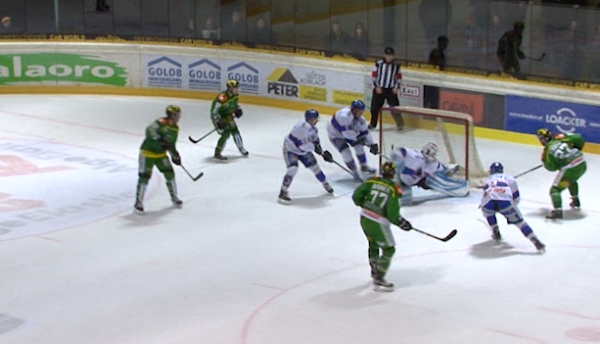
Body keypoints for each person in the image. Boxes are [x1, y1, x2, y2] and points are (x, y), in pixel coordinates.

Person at [352, 161, 413, 292]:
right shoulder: (393, 188)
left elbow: (356, 196)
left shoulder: (371, 181)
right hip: (378, 222)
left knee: (373, 244)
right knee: (389, 249)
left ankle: (375, 269)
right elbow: (392, 213)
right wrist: (401, 222)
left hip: (364, 218)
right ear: (393, 174)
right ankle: (379, 276)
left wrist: (366, 205)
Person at [480, 162, 546, 252]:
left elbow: (486, 194)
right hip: (504, 203)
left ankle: (495, 230)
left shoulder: (487, 180)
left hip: (487, 203)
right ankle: (535, 240)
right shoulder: (510, 178)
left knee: (488, 213)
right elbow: (516, 197)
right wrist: (511, 209)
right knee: (520, 223)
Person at [278, 109, 335, 204]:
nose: (316, 120)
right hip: (291, 149)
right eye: (314, 119)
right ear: (309, 119)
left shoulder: (313, 129)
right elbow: (302, 145)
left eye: (317, 118)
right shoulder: (302, 127)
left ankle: (325, 183)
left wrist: (321, 151)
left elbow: (315, 141)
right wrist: (316, 149)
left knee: (316, 168)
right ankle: (283, 191)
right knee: (292, 169)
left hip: (303, 151)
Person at [134, 105, 183, 213]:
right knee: (144, 177)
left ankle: (174, 196)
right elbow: (149, 130)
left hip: (161, 155)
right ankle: (138, 201)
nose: (178, 117)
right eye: (176, 115)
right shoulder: (161, 122)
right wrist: (159, 139)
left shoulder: (175, 128)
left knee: (170, 174)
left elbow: (171, 144)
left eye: (179, 115)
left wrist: (175, 154)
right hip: (147, 154)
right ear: (171, 115)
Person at [389, 142, 467, 205]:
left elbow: (442, 169)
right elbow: (401, 151)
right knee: (404, 200)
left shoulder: (434, 163)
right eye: (432, 153)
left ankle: (458, 188)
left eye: (434, 153)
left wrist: (447, 170)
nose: (433, 155)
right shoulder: (415, 154)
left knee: (433, 178)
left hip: (420, 181)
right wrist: (396, 158)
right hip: (402, 179)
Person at [537, 128, 586, 219]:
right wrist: (576, 149)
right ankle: (575, 200)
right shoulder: (560, 138)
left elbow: (551, 168)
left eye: (540, 138)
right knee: (571, 180)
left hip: (570, 168)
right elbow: (578, 137)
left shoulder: (546, 152)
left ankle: (557, 211)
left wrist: (549, 162)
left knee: (554, 190)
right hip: (581, 162)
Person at [327, 100, 379, 179]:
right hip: (336, 135)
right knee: (346, 152)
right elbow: (347, 134)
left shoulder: (361, 120)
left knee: (359, 147)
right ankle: (354, 171)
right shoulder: (343, 116)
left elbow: (365, 133)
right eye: (360, 111)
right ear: (354, 110)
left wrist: (372, 144)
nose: (361, 113)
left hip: (348, 133)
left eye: (362, 111)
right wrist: (359, 140)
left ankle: (364, 166)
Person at [211, 79, 248, 160]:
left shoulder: (235, 96)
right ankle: (217, 152)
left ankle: (241, 148)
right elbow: (214, 111)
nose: (237, 90)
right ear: (230, 88)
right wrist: (217, 121)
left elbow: (235, 105)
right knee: (225, 134)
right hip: (219, 117)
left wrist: (238, 109)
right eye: (235, 88)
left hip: (228, 116)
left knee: (235, 130)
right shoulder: (222, 97)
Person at [368, 47, 404, 131]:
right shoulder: (378, 64)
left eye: (390, 55)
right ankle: (373, 124)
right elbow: (374, 75)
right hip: (379, 89)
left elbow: (399, 77)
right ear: (384, 55)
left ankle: (400, 123)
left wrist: (396, 87)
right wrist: (376, 86)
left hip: (391, 90)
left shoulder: (396, 65)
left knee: (395, 108)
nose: (389, 57)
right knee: (374, 108)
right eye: (387, 55)